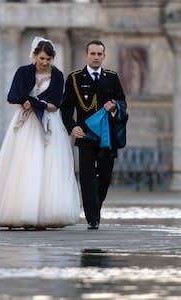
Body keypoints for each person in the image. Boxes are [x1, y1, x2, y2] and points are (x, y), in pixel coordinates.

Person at [0, 37, 80, 229]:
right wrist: (26, 101)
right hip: (26, 122)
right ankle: (20, 211)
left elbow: (55, 103)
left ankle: (46, 214)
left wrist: (36, 103)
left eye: (48, 59)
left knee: (49, 165)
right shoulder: (24, 72)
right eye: (42, 58)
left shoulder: (57, 75)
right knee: (24, 164)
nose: (45, 62)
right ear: (34, 56)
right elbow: (12, 95)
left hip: (48, 122)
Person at [61, 40, 127, 230]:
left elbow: (123, 101)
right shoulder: (74, 78)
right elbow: (66, 107)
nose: (96, 57)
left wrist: (115, 105)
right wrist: (72, 127)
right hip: (85, 136)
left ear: (104, 56)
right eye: (93, 54)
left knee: (105, 177)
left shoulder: (112, 77)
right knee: (87, 177)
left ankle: (94, 208)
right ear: (86, 55)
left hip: (108, 137)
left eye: (99, 54)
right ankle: (92, 217)